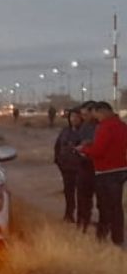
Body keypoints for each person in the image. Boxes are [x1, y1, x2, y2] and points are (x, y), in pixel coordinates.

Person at [78, 101, 127, 245]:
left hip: (106, 172)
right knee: (116, 206)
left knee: (105, 207)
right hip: (121, 170)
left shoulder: (105, 127)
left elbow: (98, 151)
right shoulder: (123, 126)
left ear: (103, 112)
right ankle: (118, 238)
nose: (96, 118)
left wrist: (83, 150)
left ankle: (104, 237)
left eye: (97, 115)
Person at [54, 109, 85, 223]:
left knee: (82, 194)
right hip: (66, 167)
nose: (73, 119)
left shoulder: (85, 132)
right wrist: (58, 160)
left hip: (81, 167)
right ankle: (69, 214)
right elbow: (57, 146)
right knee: (68, 192)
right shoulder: (65, 131)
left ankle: (82, 217)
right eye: (72, 117)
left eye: (76, 117)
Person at [76, 101, 100, 232]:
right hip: (84, 165)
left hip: (98, 166)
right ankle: (83, 222)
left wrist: (89, 143)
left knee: (103, 200)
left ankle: (103, 227)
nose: (83, 117)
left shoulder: (102, 126)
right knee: (83, 198)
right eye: (82, 115)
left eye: (86, 114)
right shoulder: (84, 126)